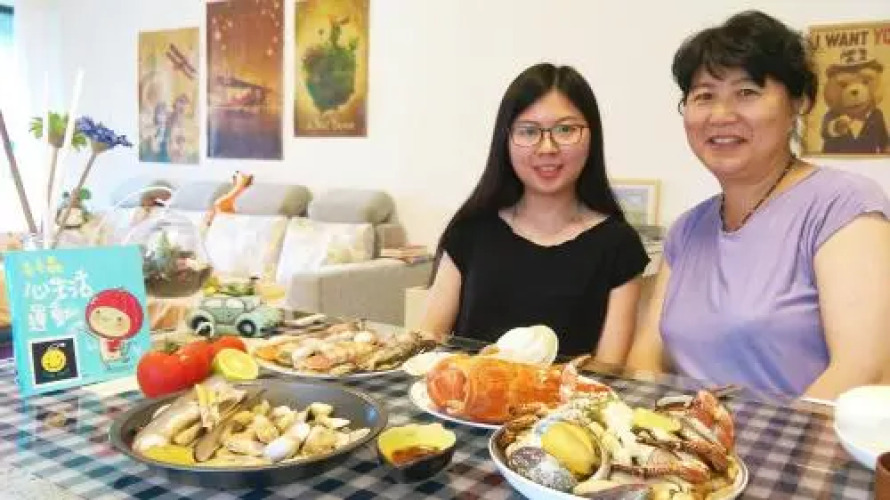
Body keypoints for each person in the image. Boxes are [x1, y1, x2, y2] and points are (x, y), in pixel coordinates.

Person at [626, 11, 890, 399]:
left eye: (747, 92)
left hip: (798, 437)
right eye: (704, 96)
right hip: (686, 432)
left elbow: (864, 372)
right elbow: (647, 359)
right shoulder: (687, 230)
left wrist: (740, 440)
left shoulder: (844, 206)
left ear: (799, 102)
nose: (721, 115)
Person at [419, 63, 650, 361]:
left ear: (592, 136)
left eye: (566, 129)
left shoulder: (618, 245)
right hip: (468, 389)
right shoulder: (470, 232)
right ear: (505, 140)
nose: (547, 147)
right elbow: (428, 342)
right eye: (528, 131)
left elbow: (609, 369)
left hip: (571, 392)